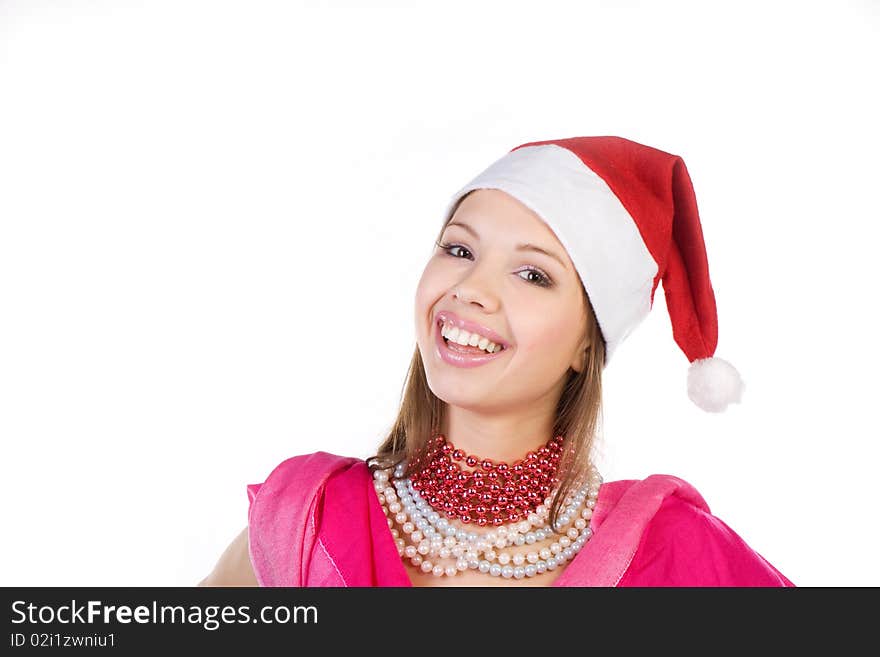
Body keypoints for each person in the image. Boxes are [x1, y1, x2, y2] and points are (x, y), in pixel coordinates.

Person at [199, 135, 794, 587]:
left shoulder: (673, 553)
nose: (472, 289)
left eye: (533, 274)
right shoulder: (303, 520)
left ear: (590, 345)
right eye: (460, 249)